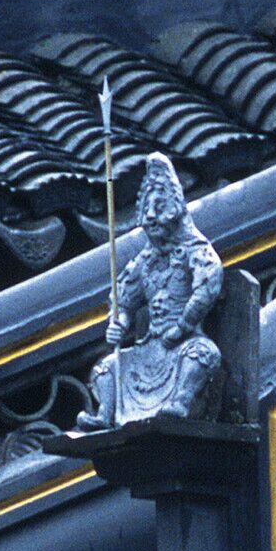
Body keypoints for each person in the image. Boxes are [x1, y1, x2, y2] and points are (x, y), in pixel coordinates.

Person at [89, 154, 225, 425]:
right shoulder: (145, 260)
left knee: (203, 354)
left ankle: (180, 402)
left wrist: (183, 326)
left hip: (182, 342)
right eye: (147, 209)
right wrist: (120, 321)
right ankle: (105, 414)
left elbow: (207, 285)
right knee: (108, 366)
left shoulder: (193, 251)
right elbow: (124, 299)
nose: (151, 215)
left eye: (160, 207)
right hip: (150, 347)